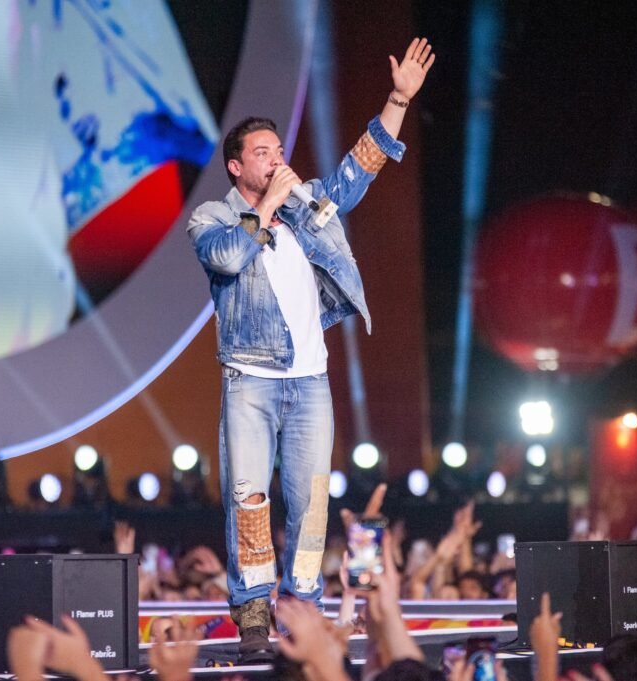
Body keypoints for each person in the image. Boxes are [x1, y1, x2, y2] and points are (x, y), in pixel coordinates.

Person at [186, 37, 434, 663]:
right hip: (250, 379)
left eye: (279, 151)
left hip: (310, 380)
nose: (277, 160)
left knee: (312, 505)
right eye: (262, 153)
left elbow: (360, 168)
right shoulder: (212, 217)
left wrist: (399, 99)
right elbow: (228, 259)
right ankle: (252, 616)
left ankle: (302, 609)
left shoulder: (305, 208)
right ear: (236, 167)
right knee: (250, 500)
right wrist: (269, 205)